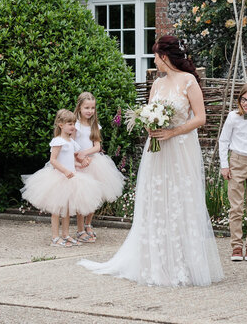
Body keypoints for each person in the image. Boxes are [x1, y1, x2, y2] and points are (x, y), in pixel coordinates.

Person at [79, 35, 224, 287]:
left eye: (155, 57)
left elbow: (200, 118)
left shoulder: (189, 81)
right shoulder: (157, 85)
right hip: (156, 150)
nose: (154, 61)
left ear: (164, 57)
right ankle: (156, 261)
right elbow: (149, 113)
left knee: (181, 199)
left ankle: (183, 263)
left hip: (180, 149)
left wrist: (172, 132)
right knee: (157, 199)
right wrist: (150, 126)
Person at [21, 109, 105, 247]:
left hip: (70, 178)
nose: (73, 126)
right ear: (61, 125)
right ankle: (55, 237)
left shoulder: (71, 142)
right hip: (59, 178)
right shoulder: (58, 141)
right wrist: (65, 171)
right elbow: (53, 160)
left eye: (73, 124)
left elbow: (72, 160)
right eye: (69, 124)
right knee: (57, 210)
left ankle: (65, 234)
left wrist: (81, 164)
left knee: (67, 209)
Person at [71, 91, 125, 243]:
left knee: (95, 196)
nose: (90, 111)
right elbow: (72, 146)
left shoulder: (95, 125)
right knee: (83, 197)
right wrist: (79, 157)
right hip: (80, 164)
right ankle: (80, 229)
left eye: (92, 108)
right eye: (86, 108)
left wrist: (85, 154)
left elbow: (97, 146)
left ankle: (88, 224)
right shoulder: (75, 125)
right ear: (79, 108)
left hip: (94, 162)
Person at [220, 81, 247, 262]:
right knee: (236, 207)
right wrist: (224, 165)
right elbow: (223, 141)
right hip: (237, 161)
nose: (245, 103)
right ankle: (236, 245)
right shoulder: (233, 117)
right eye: (243, 99)